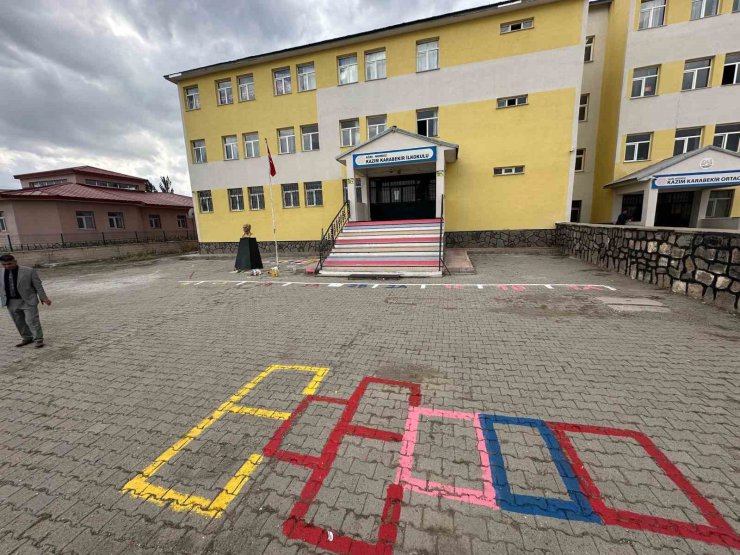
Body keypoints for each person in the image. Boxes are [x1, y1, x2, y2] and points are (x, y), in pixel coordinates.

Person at [1, 254, 51, 348]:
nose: (7, 266)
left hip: (28, 300)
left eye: (9, 263)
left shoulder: (29, 271)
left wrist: (44, 298)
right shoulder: (0, 273)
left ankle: (38, 339)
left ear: (15, 261)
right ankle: (27, 338)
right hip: (11, 302)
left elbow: (38, 285)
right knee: (19, 321)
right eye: (4, 264)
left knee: (32, 320)